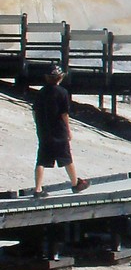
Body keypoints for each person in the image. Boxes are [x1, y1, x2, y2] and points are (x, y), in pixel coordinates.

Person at [32, 64, 89, 196]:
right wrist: (68, 130)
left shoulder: (41, 92)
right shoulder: (62, 92)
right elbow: (64, 114)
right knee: (66, 158)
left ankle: (38, 188)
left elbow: (34, 111)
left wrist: (39, 125)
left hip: (44, 131)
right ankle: (75, 184)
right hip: (59, 131)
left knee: (41, 160)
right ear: (60, 77)